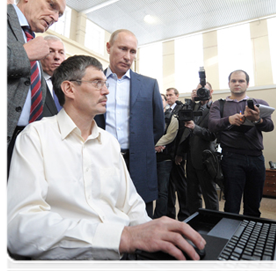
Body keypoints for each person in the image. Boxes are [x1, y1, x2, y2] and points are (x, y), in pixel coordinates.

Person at [5, 55, 205, 270]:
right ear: (69, 89)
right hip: (70, 261)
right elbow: (20, 227)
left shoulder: (109, 142)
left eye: (105, 83)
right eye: (97, 83)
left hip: (126, 254)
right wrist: (123, 237)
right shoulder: (36, 137)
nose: (107, 91)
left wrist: (153, 232)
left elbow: (131, 204)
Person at [94, 29, 165, 218]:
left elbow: (158, 126)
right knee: (103, 213)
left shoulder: (149, 85)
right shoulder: (92, 81)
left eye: (133, 51)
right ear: (108, 47)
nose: (128, 57)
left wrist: (141, 146)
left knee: (141, 217)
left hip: (140, 162)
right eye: (123, 49)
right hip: (101, 160)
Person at [5, 0, 66, 184]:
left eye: (60, 14)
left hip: (25, 143)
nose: (55, 17)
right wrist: (24, 54)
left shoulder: (32, 40)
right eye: (52, 6)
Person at [209, 70, 274, 217]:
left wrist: (258, 120)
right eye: (233, 81)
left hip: (256, 158)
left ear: (247, 83)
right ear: (229, 84)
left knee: (253, 204)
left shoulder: (260, 104)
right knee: (232, 204)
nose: (237, 83)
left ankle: (250, 237)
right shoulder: (219, 105)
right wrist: (229, 120)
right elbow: (212, 125)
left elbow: (270, 127)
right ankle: (229, 238)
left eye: (241, 81)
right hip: (231, 158)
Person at [176, 82, 219, 215]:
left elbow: (213, 135)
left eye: (204, 90)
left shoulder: (215, 108)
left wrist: (196, 127)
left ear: (211, 92)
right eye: (199, 90)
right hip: (191, 158)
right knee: (192, 194)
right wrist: (180, 152)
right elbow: (185, 130)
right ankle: (195, 222)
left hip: (207, 159)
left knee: (209, 194)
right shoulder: (192, 107)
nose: (201, 93)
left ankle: (213, 224)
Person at [165, 87, 190, 221]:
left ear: (177, 96)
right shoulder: (166, 109)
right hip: (167, 154)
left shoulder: (181, 109)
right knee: (169, 186)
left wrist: (180, 154)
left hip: (177, 154)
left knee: (181, 185)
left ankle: (184, 214)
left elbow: (183, 134)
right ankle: (170, 214)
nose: (168, 97)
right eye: (167, 95)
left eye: (171, 95)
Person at [154, 94, 179, 219]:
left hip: (165, 159)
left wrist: (155, 145)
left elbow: (170, 136)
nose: (159, 101)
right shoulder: (149, 116)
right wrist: (152, 148)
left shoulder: (172, 117)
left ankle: (159, 217)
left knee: (162, 191)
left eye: (162, 99)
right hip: (149, 158)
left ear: (166, 102)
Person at [41, 35, 66, 113]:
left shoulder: (69, 85)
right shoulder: (31, 82)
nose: (57, 57)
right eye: (50, 51)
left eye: (61, 52)